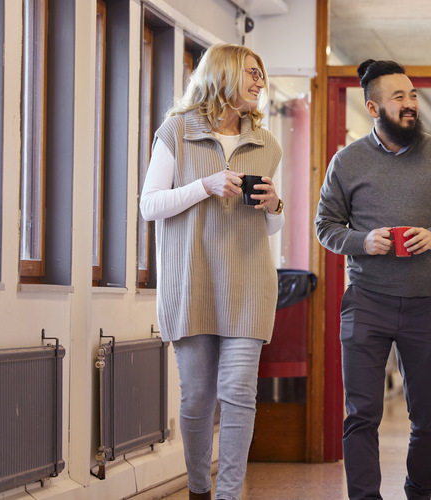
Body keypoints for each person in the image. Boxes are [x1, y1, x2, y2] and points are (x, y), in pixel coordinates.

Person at [314, 59, 431, 500]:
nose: (410, 105)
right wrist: (364, 242)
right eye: (399, 97)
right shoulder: (346, 162)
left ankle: (419, 493)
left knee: (428, 417)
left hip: (425, 302)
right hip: (367, 301)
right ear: (373, 107)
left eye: (413, 95)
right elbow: (325, 226)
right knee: (361, 414)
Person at [139, 43, 283, 500]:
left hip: (248, 284)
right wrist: (204, 185)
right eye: (252, 74)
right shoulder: (177, 131)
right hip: (192, 281)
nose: (260, 83)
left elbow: (274, 225)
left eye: (261, 75)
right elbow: (149, 205)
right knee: (198, 397)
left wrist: (275, 205)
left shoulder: (267, 143)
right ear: (222, 74)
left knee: (238, 394)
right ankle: (200, 489)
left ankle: (228, 495)